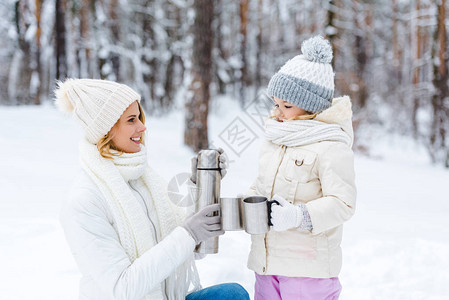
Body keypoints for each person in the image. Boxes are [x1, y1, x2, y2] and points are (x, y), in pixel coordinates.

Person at [56, 78, 249, 300]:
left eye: (140, 117)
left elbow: (184, 248)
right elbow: (123, 288)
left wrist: (203, 183)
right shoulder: (84, 200)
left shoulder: (141, 178)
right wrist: (189, 233)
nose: (142, 127)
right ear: (106, 130)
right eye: (131, 120)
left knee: (232, 295)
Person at [244, 36, 357, 299]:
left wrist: (299, 216)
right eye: (276, 104)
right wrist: (244, 201)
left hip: (308, 270)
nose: (278, 113)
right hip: (267, 264)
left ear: (311, 106)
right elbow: (262, 185)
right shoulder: (277, 138)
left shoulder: (330, 144)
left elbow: (343, 203)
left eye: (287, 106)